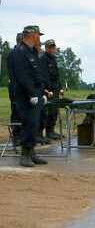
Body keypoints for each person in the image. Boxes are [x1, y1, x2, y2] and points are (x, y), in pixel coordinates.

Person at [12, 25, 49, 167]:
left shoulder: (32, 51)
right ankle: (25, 155)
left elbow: (37, 74)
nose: (39, 38)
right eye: (38, 35)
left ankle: (32, 152)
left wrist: (43, 91)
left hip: (36, 94)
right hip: (26, 96)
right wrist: (31, 94)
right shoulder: (19, 52)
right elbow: (22, 76)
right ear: (32, 35)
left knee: (35, 124)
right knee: (28, 124)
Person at [41, 39, 62, 140]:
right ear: (46, 48)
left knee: (55, 111)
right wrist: (48, 89)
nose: (52, 49)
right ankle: (48, 132)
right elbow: (44, 76)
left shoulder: (53, 59)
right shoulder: (43, 59)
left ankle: (52, 130)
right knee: (49, 112)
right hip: (49, 90)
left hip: (56, 89)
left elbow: (57, 75)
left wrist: (61, 87)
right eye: (50, 47)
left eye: (53, 47)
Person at [7, 33, 24, 143]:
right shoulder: (14, 54)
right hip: (15, 86)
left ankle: (20, 134)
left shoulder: (20, 53)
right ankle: (16, 136)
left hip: (20, 86)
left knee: (21, 111)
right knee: (16, 110)